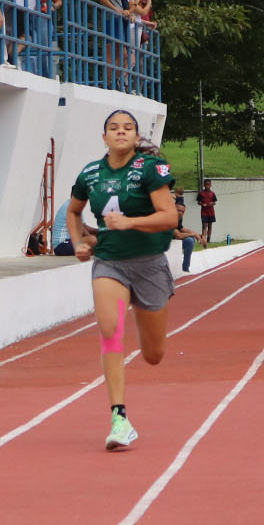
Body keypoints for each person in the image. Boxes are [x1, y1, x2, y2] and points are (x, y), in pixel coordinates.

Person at [67, 109, 178, 450]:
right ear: (104, 137)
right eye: (113, 128)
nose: (120, 132)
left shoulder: (149, 170)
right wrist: (79, 244)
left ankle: (147, 353)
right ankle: (119, 417)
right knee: (110, 330)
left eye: (128, 128)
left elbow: (170, 217)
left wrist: (131, 222)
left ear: (135, 137)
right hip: (110, 263)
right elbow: (73, 211)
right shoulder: (90, 173)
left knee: (153, 354)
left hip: (149, 265)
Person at [196, 178, 217, 243]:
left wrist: (212, 203)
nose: (207, 185)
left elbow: (215, 202)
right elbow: (198, 202)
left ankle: (208, 240)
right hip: (204, 212)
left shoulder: (212, 193)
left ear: (211, 185)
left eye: (209, 184)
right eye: (206, 184)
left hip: (211, 212)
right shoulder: (201, 193)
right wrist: (202, 204)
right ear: (204, 185)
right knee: (204, 225)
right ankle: (203, 239)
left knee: (210, 226)